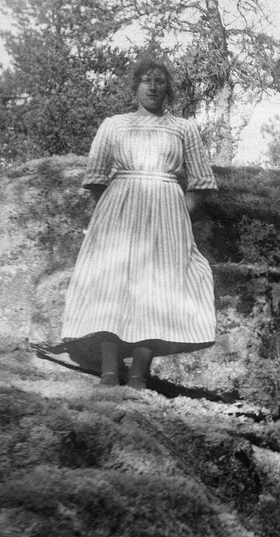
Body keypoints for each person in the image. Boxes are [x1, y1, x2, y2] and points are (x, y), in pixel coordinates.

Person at [57, 55, 217, 388]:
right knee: (110, 284)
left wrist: (177, 216)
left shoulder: (183, 127)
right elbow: (97, 177)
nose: (153, 86)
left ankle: (139, 373)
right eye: (146, 80)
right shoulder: (113, 125)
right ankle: (109, 370)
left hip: (167, 214)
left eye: (160, 81)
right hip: (118, 213)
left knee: (158, 289)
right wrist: (113, 213)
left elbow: (201, 181)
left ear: (168, 90)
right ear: (135, 88)